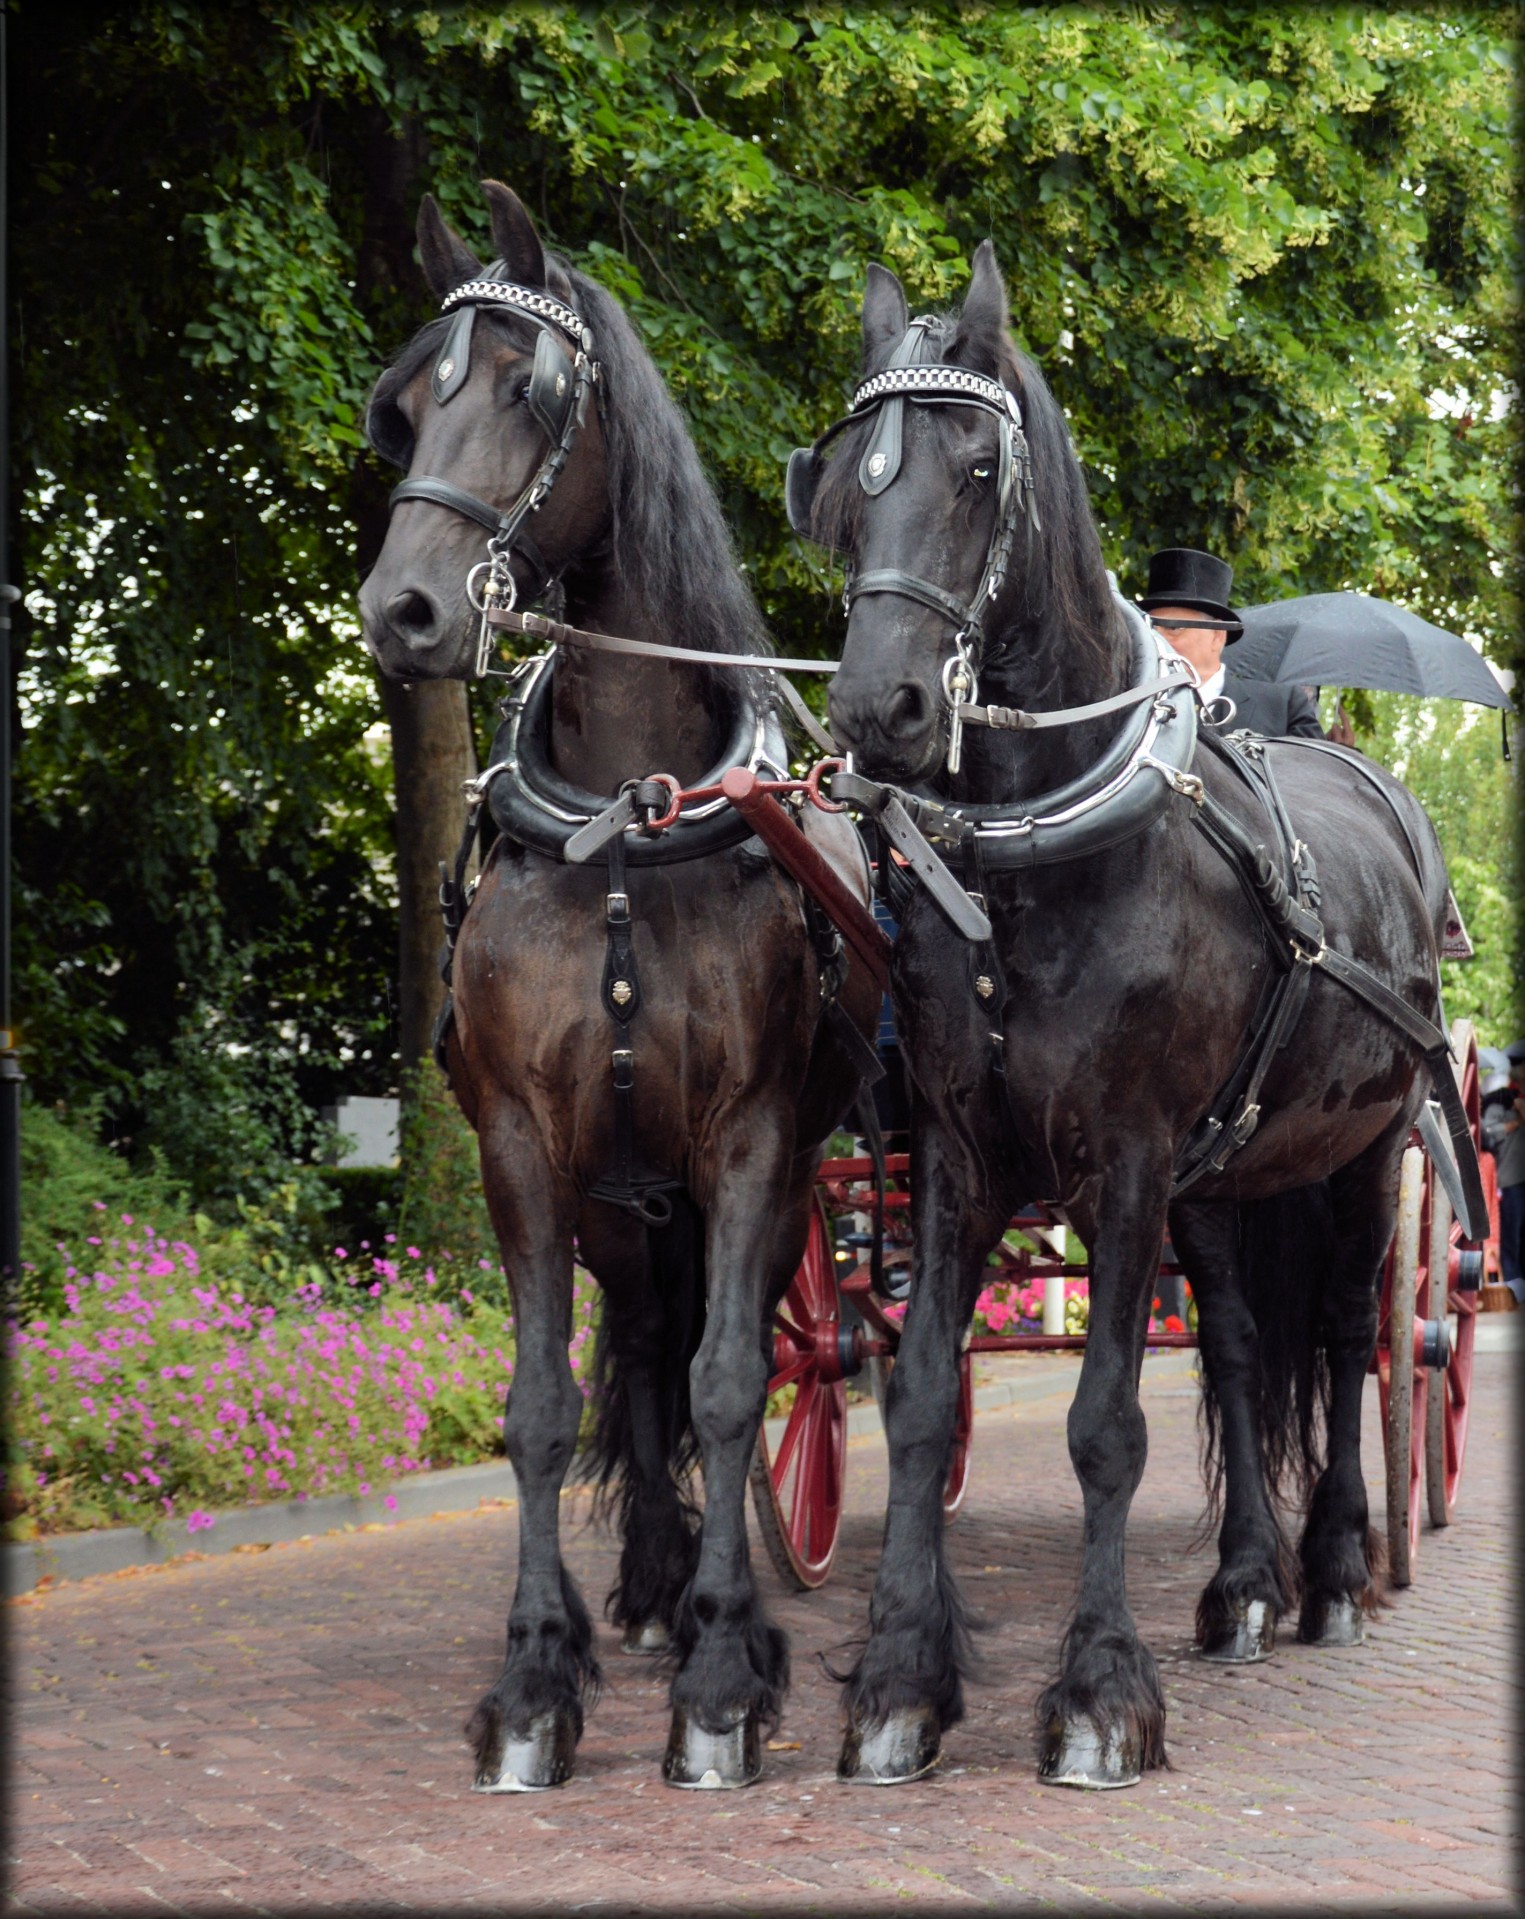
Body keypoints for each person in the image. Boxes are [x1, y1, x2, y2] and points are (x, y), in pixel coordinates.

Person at [1140, 548, 1323, 739]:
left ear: (1217, 635)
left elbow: (1316, 766)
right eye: (1150, 629)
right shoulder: (1130, 709)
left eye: (1173, 629)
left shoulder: (1282, 705)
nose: (1157, 641)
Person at [1481, 1041, 1525, 1305]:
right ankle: (1512, 1287)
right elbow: (1488, 1133)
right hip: (1509, 1178)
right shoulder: (1499, 1100)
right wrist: (1515, 1122)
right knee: (1511, 1235)